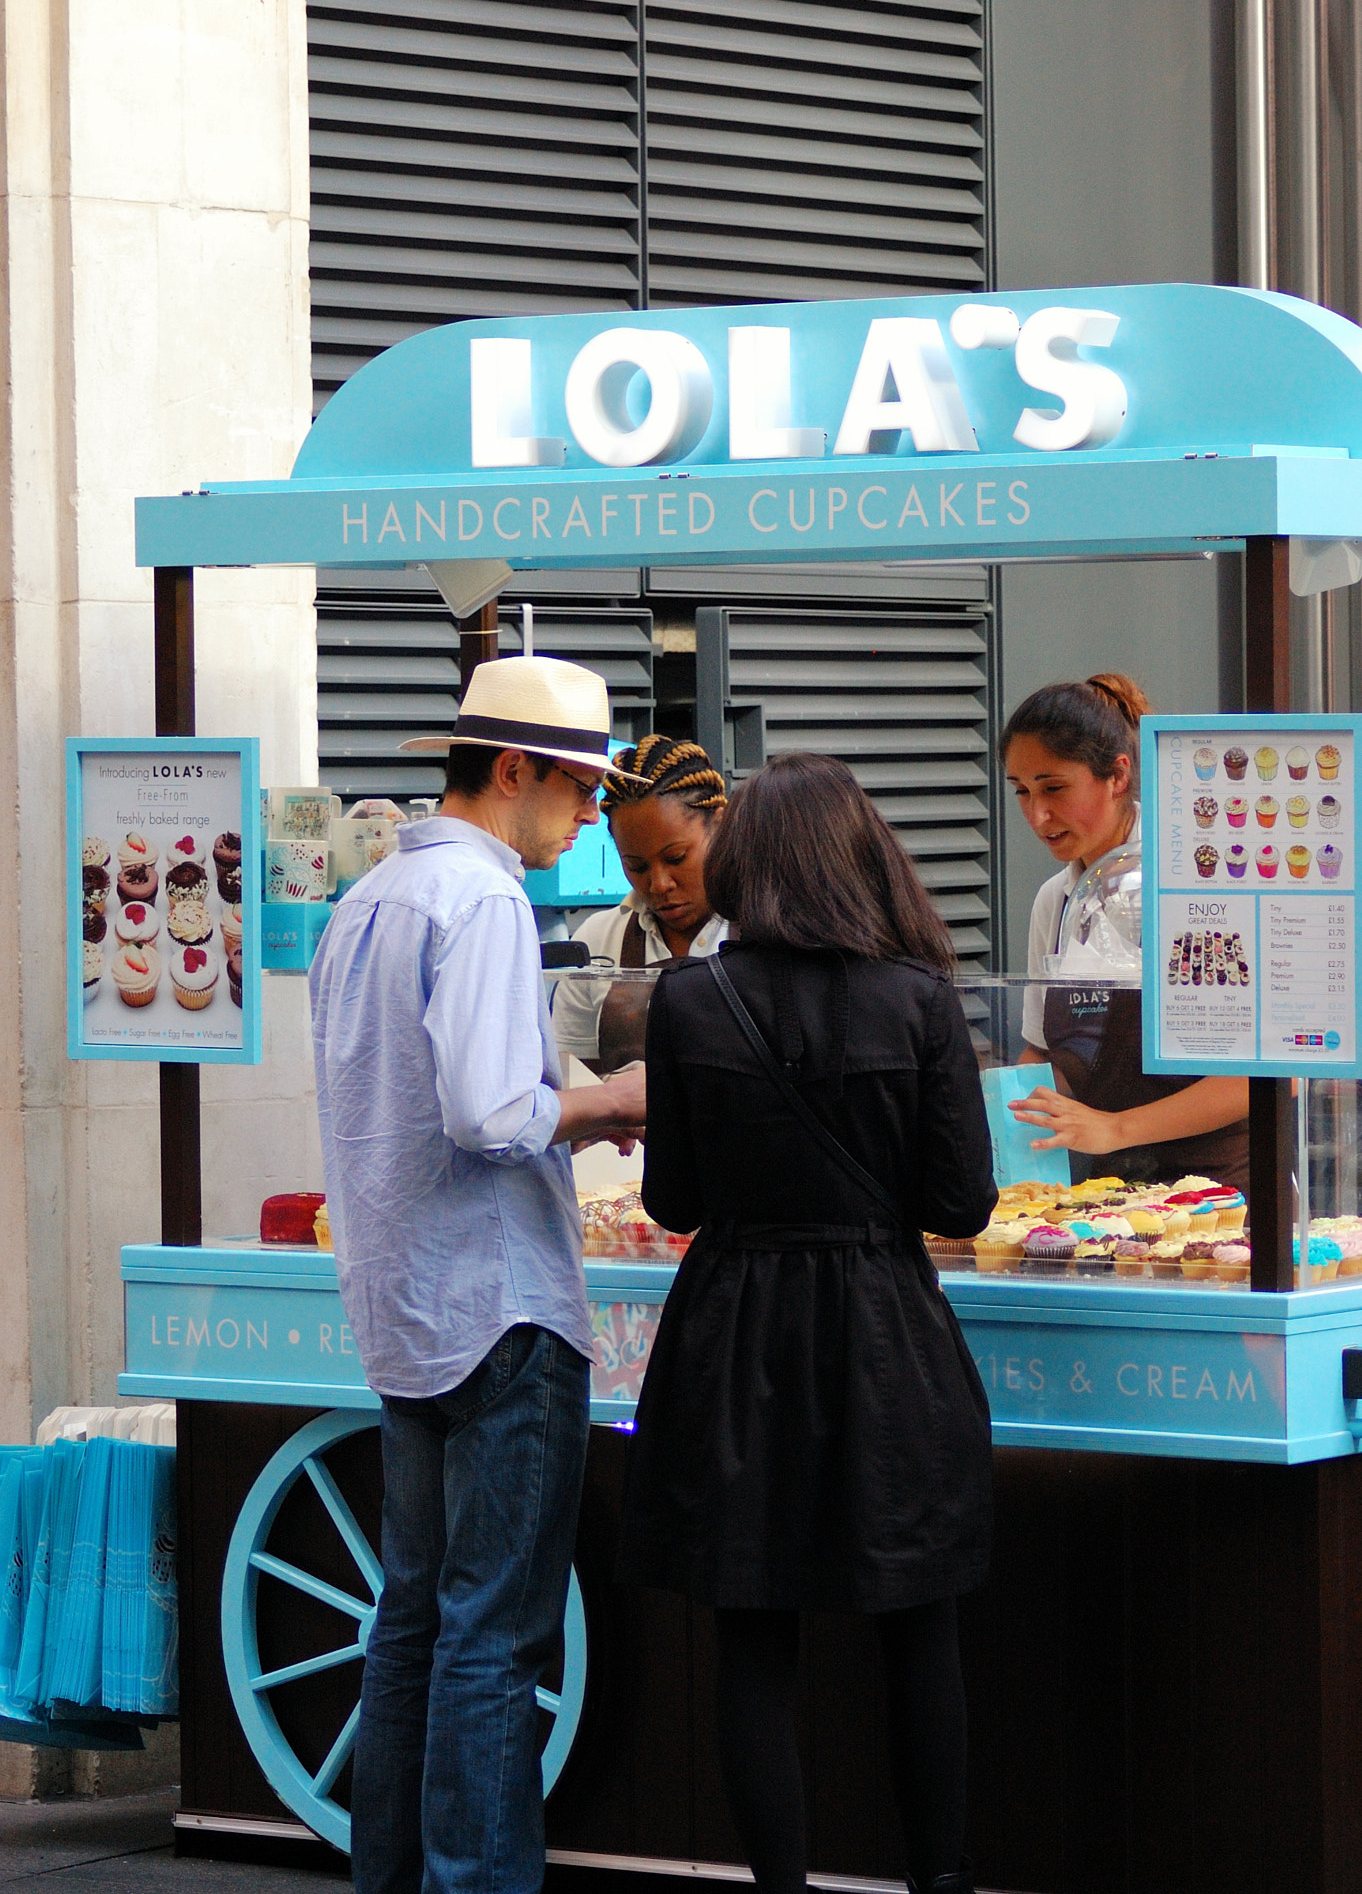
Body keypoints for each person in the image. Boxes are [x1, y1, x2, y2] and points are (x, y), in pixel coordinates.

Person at [616, 752, 995, 1894]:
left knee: (754, 1633)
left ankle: (778, 1886)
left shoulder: (688, 998)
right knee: (918, 1629)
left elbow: (673, 1201)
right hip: (888, 1333)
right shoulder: (921, 996)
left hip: (736, 1336)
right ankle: (941, 1884)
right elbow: (960, 1201)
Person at [310, 655, 648, 1894]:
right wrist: (610, 1097)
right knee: (493, 1637)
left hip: (401, 1299)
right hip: (500, 1299)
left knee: (411, 1622)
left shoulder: (372, 898)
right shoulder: (485, 901)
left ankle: (393, 1877)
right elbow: (493, 1110)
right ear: (515, 770)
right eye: (578, 788)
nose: (590, 816)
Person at [1001, 673, 1249, 1192]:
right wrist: (1004, 1117)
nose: (1037, 814)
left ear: (1118, 775)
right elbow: (1044, 1054)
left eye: (1053, 787)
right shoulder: (1056, 899)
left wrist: (1114, 1128)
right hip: (1106, 1192)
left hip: (1223, 1195)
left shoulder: (1199, 887)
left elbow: (1267, 1077)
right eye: (1021, 791)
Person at [552, 734, 729, 1073]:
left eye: (676, 857)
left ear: (719, 825)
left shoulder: (767, 930)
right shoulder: (597, 941)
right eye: (637, 866)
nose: (659, 884)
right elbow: (572, 1078)